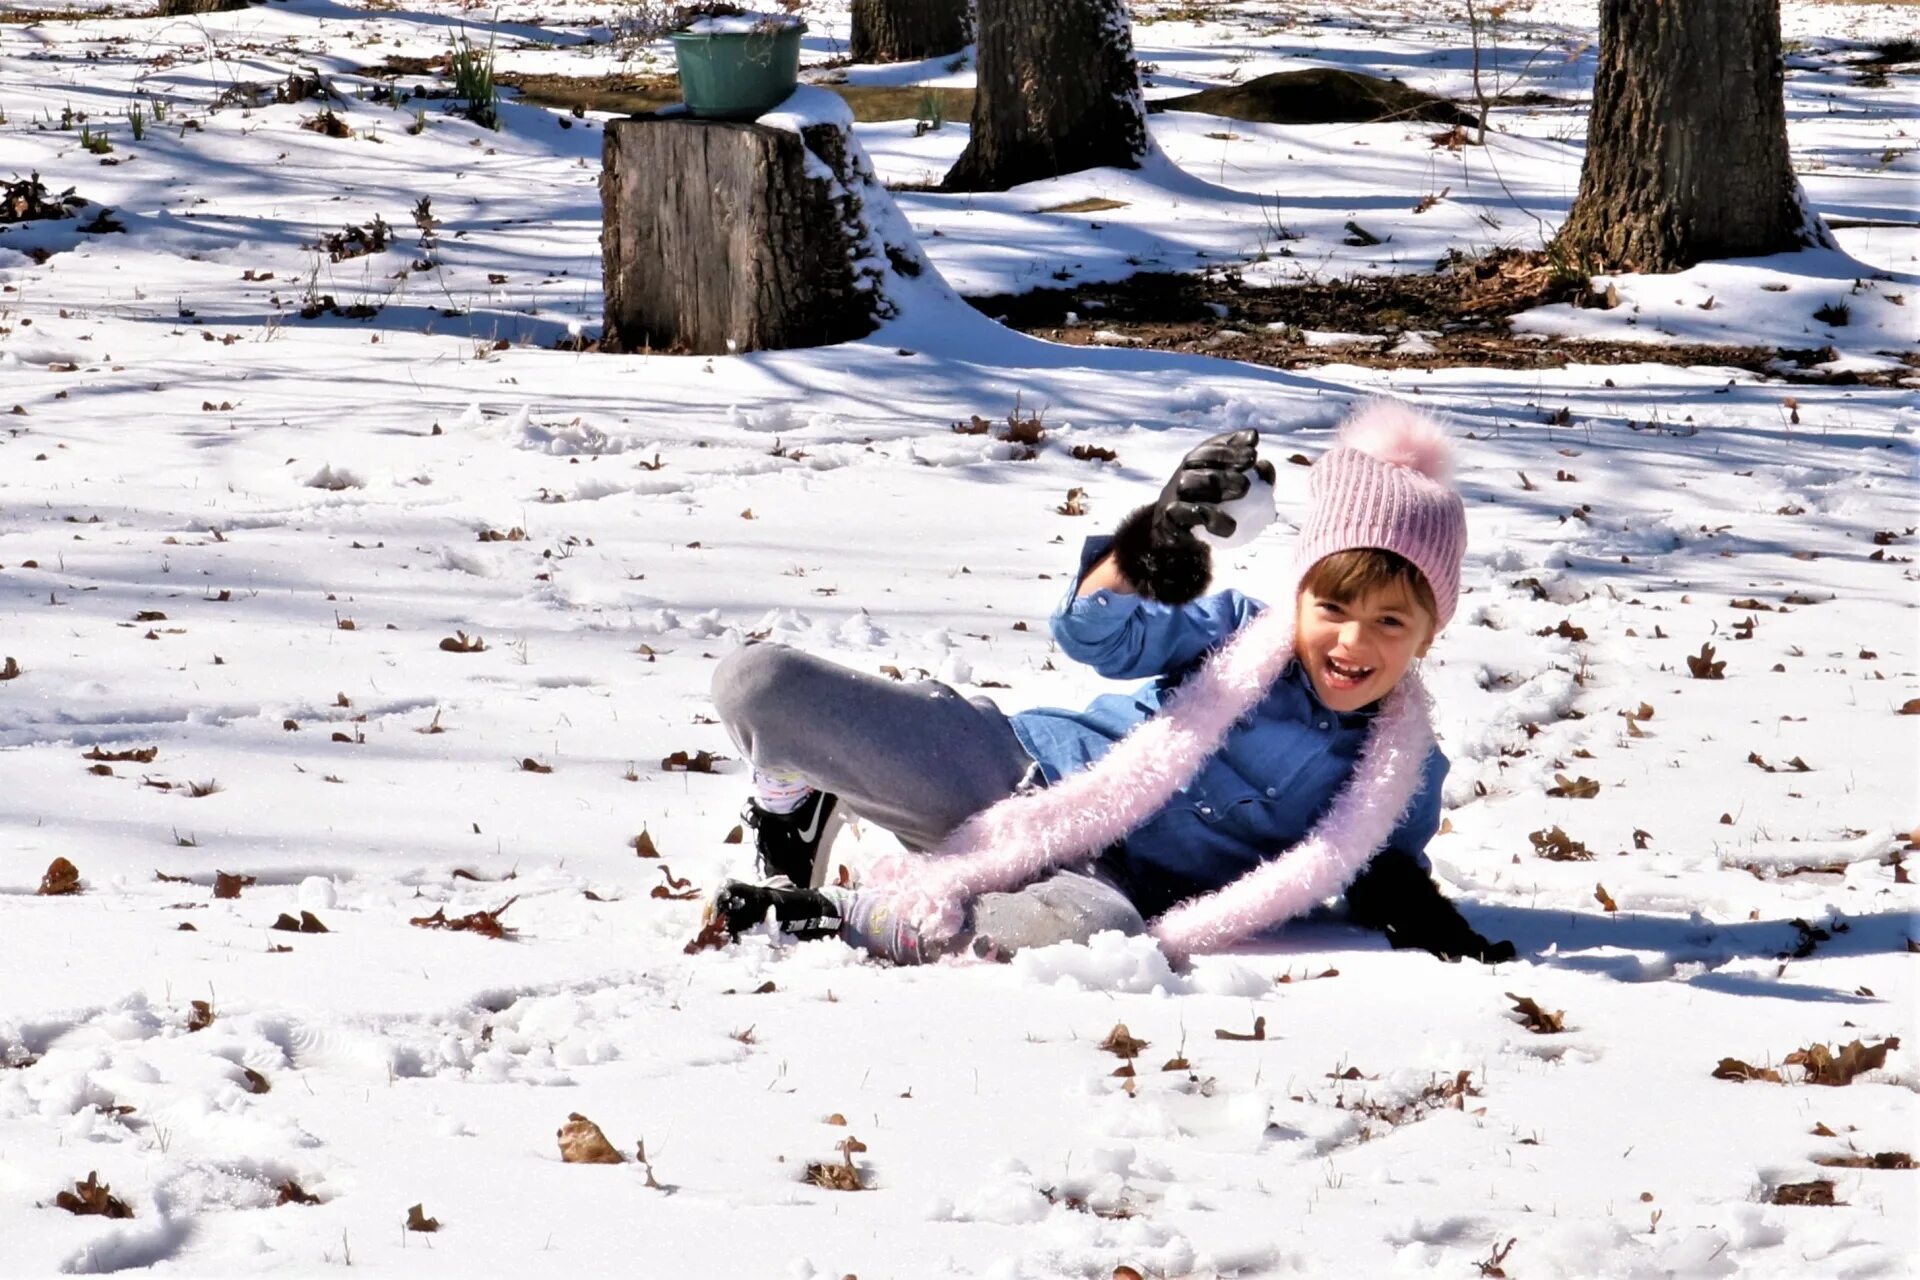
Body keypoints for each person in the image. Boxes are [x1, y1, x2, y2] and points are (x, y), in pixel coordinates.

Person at [702, 399, 1515, 967]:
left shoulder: (1402, 775)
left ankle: (852, 918)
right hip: (1007, 775)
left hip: (1103, 884)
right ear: (1299, 594)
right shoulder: (1232, 629)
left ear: (1429, 634)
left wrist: (1425, 915)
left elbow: (1375, 868)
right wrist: (1148, 548)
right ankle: (801, 786)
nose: (1351, 640)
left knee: (1088, 936)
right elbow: (1097, 634)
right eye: (1331, 606)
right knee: (754, 682)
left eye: (1389, 623)